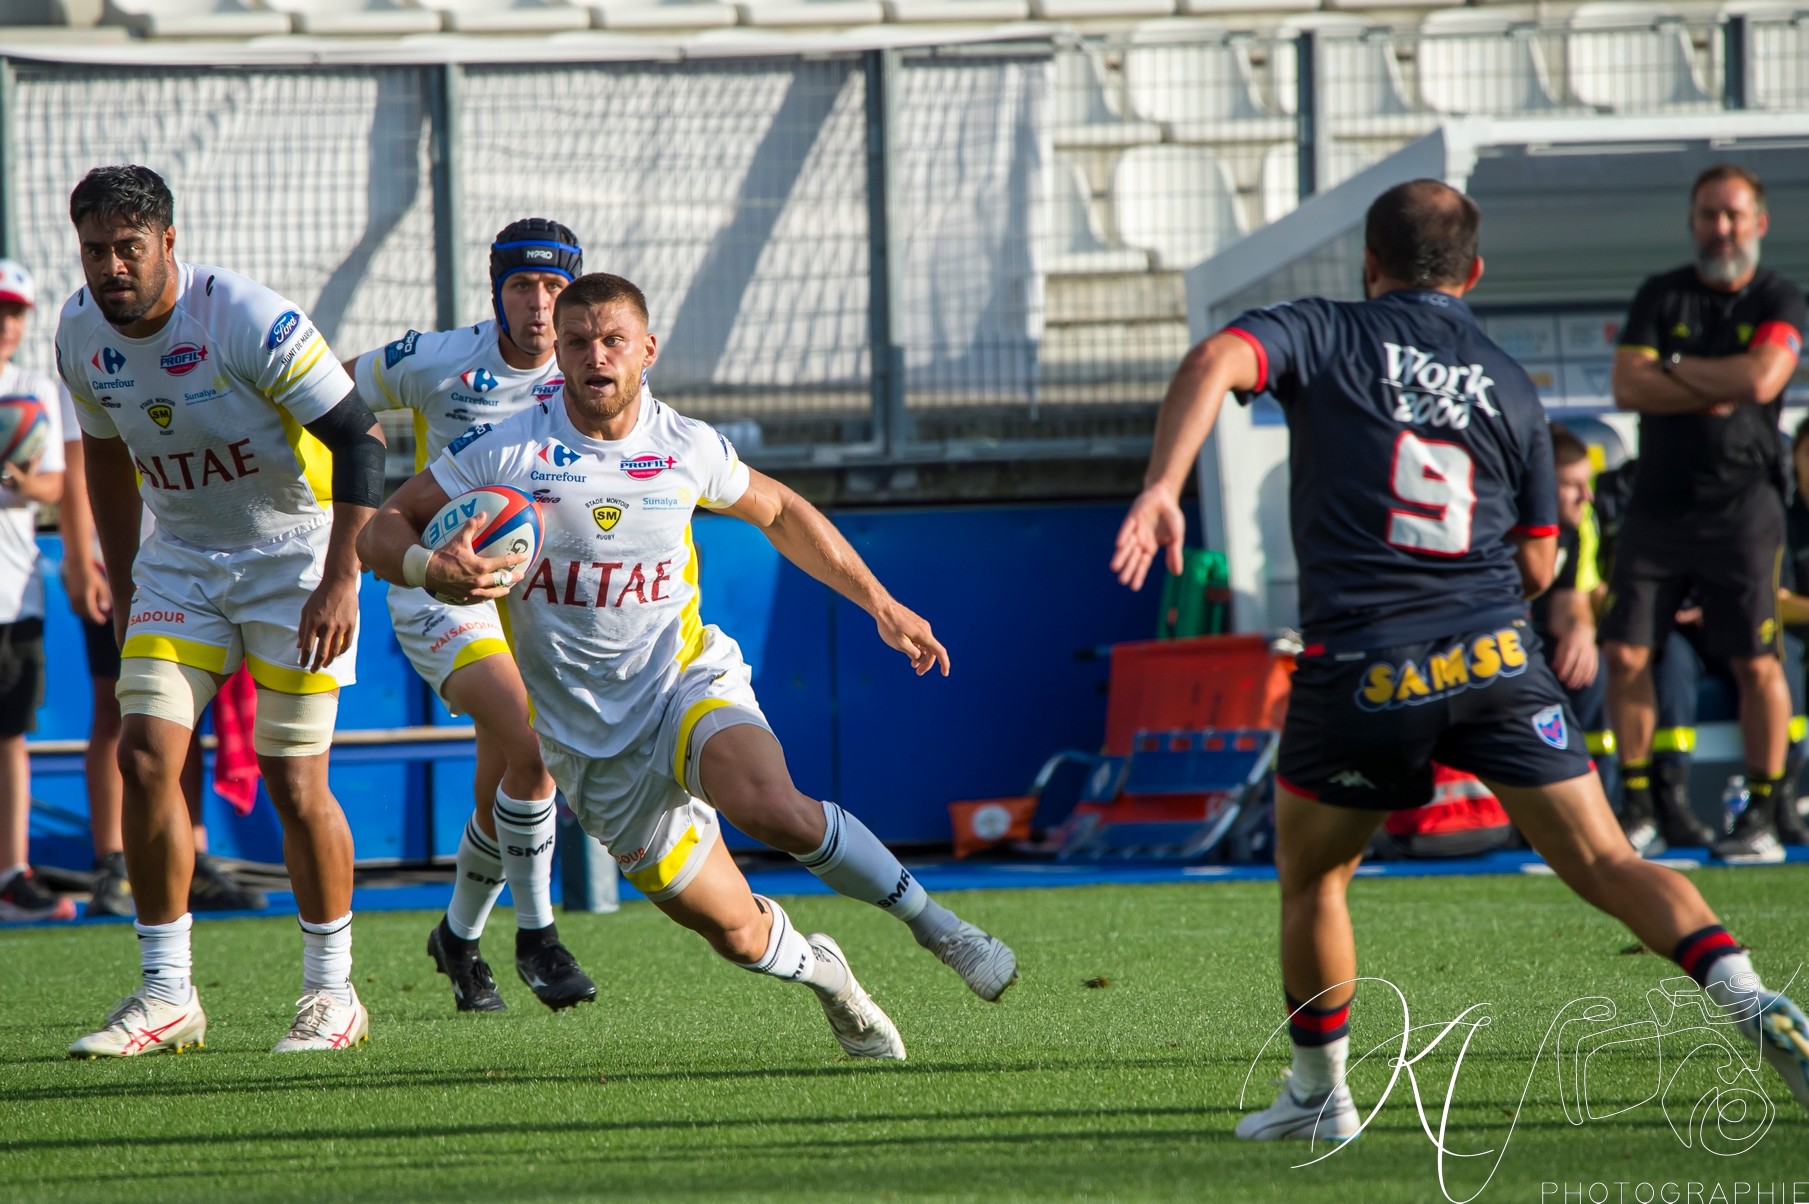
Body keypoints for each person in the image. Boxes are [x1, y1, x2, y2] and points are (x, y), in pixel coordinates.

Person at [1111, 179, 1809, 1139]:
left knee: (1315, 879)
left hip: (1365, 663)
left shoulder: (1323, 330)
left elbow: (1211, 359)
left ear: (1368, 264)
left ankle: (1319, 1097)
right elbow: (1534, 559)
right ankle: (1747, 996)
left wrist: (1161, 489)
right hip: (1493, 653)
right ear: (1472, 274)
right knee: (1606, 857)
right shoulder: (1508, 382)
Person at [358, 272, 1017, 1062]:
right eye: (576, 343)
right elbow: (382, 530)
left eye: (611, 341)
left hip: (684, 683)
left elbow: (780, 510)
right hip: (593, 745)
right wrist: (431, 567)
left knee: (768, 805)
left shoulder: (684, 446)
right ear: (558, 357)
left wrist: (880, 603)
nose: (594, 356)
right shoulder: (507, 448)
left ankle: (939, 929)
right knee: (737, 933)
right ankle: (831, 978)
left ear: (646, 350)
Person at [55, 164, 387, 1055]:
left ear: (170, 242)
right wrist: (124, 584)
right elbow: (107, 457)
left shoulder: (246, 316)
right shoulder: (79, 331)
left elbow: (361, 439)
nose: (112, 267)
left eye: (129, 248)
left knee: (292, 779)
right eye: (96, 251)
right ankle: (167, 995)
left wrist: (341, 578)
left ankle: (333, 996)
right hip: (181, 568)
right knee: (144, 753)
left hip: (293, 562)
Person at [344, 218, 596, 1012]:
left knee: (516, 771)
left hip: (537, 600)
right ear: (497, 289)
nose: (540, 304)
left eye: (555, 287)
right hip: (435, 586)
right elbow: (324, 399)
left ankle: (457, 938)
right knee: (530, 740)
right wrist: (355, 499)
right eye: (523, 285)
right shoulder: (439, 360)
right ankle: (540, 936)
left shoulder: (593, 374)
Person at [1602, 164, 1805, 865]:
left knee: (1755, 660)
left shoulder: (1780, 296)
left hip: (1742, 509)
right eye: (1707, 216)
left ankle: (1761, 807)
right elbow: (1627, 383)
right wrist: (1706, 379)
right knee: (1624, 651)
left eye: (1732, 215)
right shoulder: (1661, 296)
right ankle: (1637, 804)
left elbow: (1761, 378)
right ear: (1692, 222)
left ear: (1758, 222)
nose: (1720, 228)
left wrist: (1675, 371)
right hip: (1656, 505)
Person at [61, 455, 268, 918]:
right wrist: (79, 557)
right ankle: (113, 862)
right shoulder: (93, 378)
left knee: (179, 711)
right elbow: (83, 461)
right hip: (126, 563)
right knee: (122, 712)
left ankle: (189, 855)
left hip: (195, 560)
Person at [0, 259, 75, 922]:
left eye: (13, 311)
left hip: (13, 589)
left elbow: (55, 483)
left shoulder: (33, 389)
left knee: (10, 736)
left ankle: (12, 870)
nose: (4, 324)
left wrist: (27, 486)